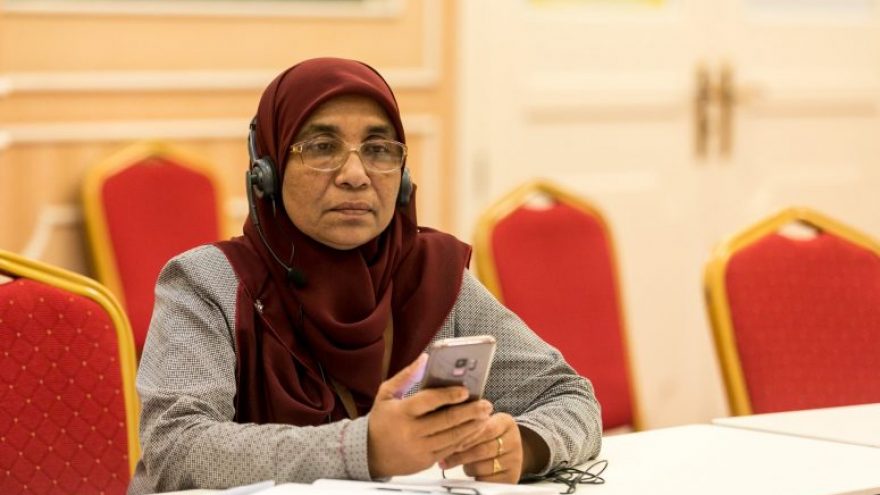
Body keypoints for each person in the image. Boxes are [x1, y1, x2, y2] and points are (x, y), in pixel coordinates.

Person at [128, 57, 601, 494]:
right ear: (266, 172)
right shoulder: (205, 283)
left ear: (404, 178)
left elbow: (570, 396)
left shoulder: (430, 277)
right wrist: (362, 449)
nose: (355, 174)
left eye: (378, 149)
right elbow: (177, 448)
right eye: (321, 146)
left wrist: (523, 443)